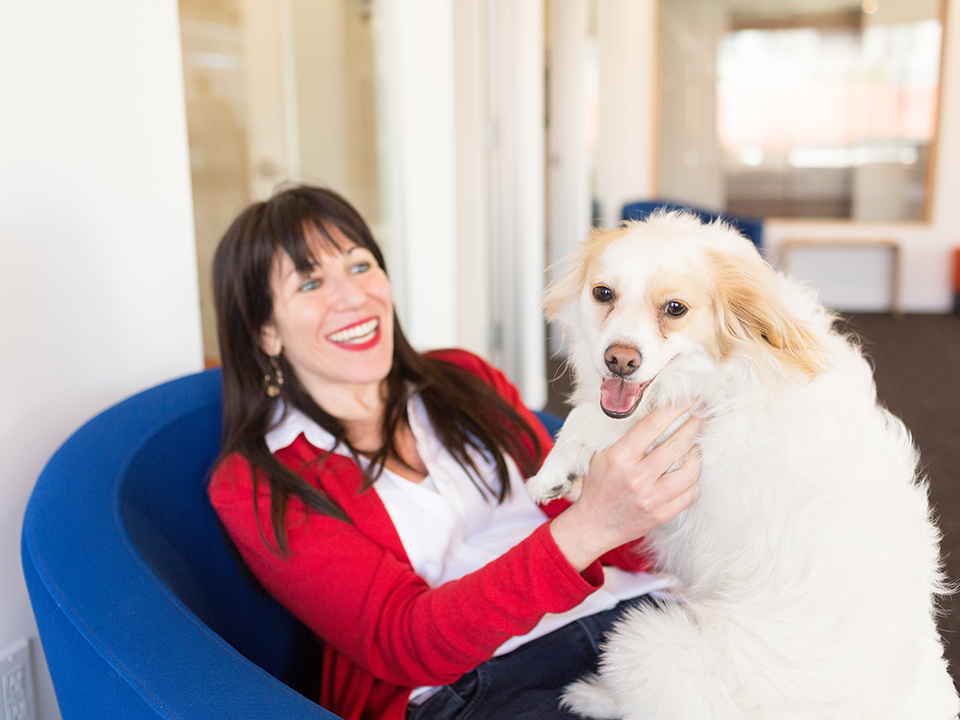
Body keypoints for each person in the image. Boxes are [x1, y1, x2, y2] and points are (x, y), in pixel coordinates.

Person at [207, 185, 702, 720]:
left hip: (635, 613)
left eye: (358, 265)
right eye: (309, 282)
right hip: (481, 683)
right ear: (265, 331)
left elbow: (577, 507)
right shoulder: (256, 481)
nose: (352, 297)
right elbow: (404, 642)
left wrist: (660, 514)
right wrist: (594, 524)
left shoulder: (464, 378)